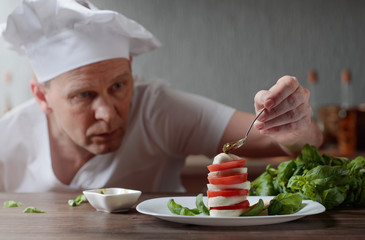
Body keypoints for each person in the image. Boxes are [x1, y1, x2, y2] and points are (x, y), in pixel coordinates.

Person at [0, 0, 322, 193]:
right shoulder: (7, 140)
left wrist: (293, 123)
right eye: (84, 95)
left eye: (118, 86)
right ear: (42, 96)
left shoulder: (158, 110)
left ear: (130, 68)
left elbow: (296, 143)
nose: (109, 114)